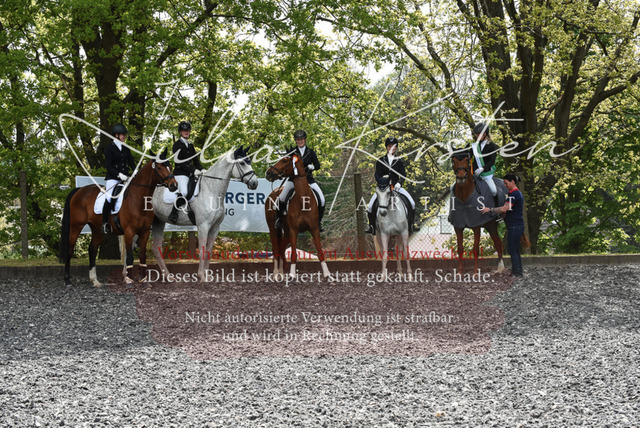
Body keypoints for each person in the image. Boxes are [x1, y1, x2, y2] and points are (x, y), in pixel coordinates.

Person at [275, 129, 325, 231]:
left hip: (308, 179)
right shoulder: (292, 152)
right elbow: (286, 164)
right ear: (296, 141)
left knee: (322, 199)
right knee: (281, 198)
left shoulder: (310, 152)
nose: (300, 141)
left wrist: (313, 167)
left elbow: (318, 165)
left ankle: (318, 222)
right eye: (298, 140)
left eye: (301, 139)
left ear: (305, 140)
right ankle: (279, 219)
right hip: (293, 179)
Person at [365, 137, 416, 235]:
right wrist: (383, 181)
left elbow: (403, 175)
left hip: (397, 187)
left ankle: (411, 225)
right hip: (383, 189)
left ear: (396, 148)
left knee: (412, 203)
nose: (391, 148)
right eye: (389, 146)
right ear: (386, 147)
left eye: (394, 146)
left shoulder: (399, 161)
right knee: (370, 206)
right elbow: (378, 175)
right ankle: (371, 226)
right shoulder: (380, 161)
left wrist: (399, 183)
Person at [481, 174, 525, 277]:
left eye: (506, 183)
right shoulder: (515, 193)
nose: (505, 185)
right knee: (515, 250)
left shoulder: (514, 194)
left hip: (515, 225)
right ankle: (517, 271)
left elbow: (504, 208)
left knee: (512, 250)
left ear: (512, 182)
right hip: (516, 225)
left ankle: (517, 273)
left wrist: (489, 209)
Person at [102, 123, 136, 234]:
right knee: (109, 197)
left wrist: (136, 171)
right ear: (116, 135)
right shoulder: (109, 148)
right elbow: (108, 166)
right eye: (122, 135)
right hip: (113, 178)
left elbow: (131, 163)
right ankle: (105, 223)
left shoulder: (126, 148)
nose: (124, 136)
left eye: (124, 135)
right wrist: (119, 175)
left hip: (126, 178)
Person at [169, 121, 204, 223]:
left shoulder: (190, 146)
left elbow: (195, 160)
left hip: (190, 174)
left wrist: (202, 169)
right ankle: (174, 213)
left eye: (188, 130)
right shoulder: (177, 145)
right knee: (184, 192)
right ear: (180, 132)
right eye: (184, 130)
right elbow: (179, 162)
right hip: (180, 173)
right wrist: (193, 170)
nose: (186, 132)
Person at [470, 123, 500, 208]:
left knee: (494, 191)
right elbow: (469, 156)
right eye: (476, 134)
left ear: (485, 134)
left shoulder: (491, 146)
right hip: (475, 173)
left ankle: (496, 208)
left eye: (478, 134)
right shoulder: (475, 146)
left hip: (486, 173)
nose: (477, 136)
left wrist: (483, 169)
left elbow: (492, 161)